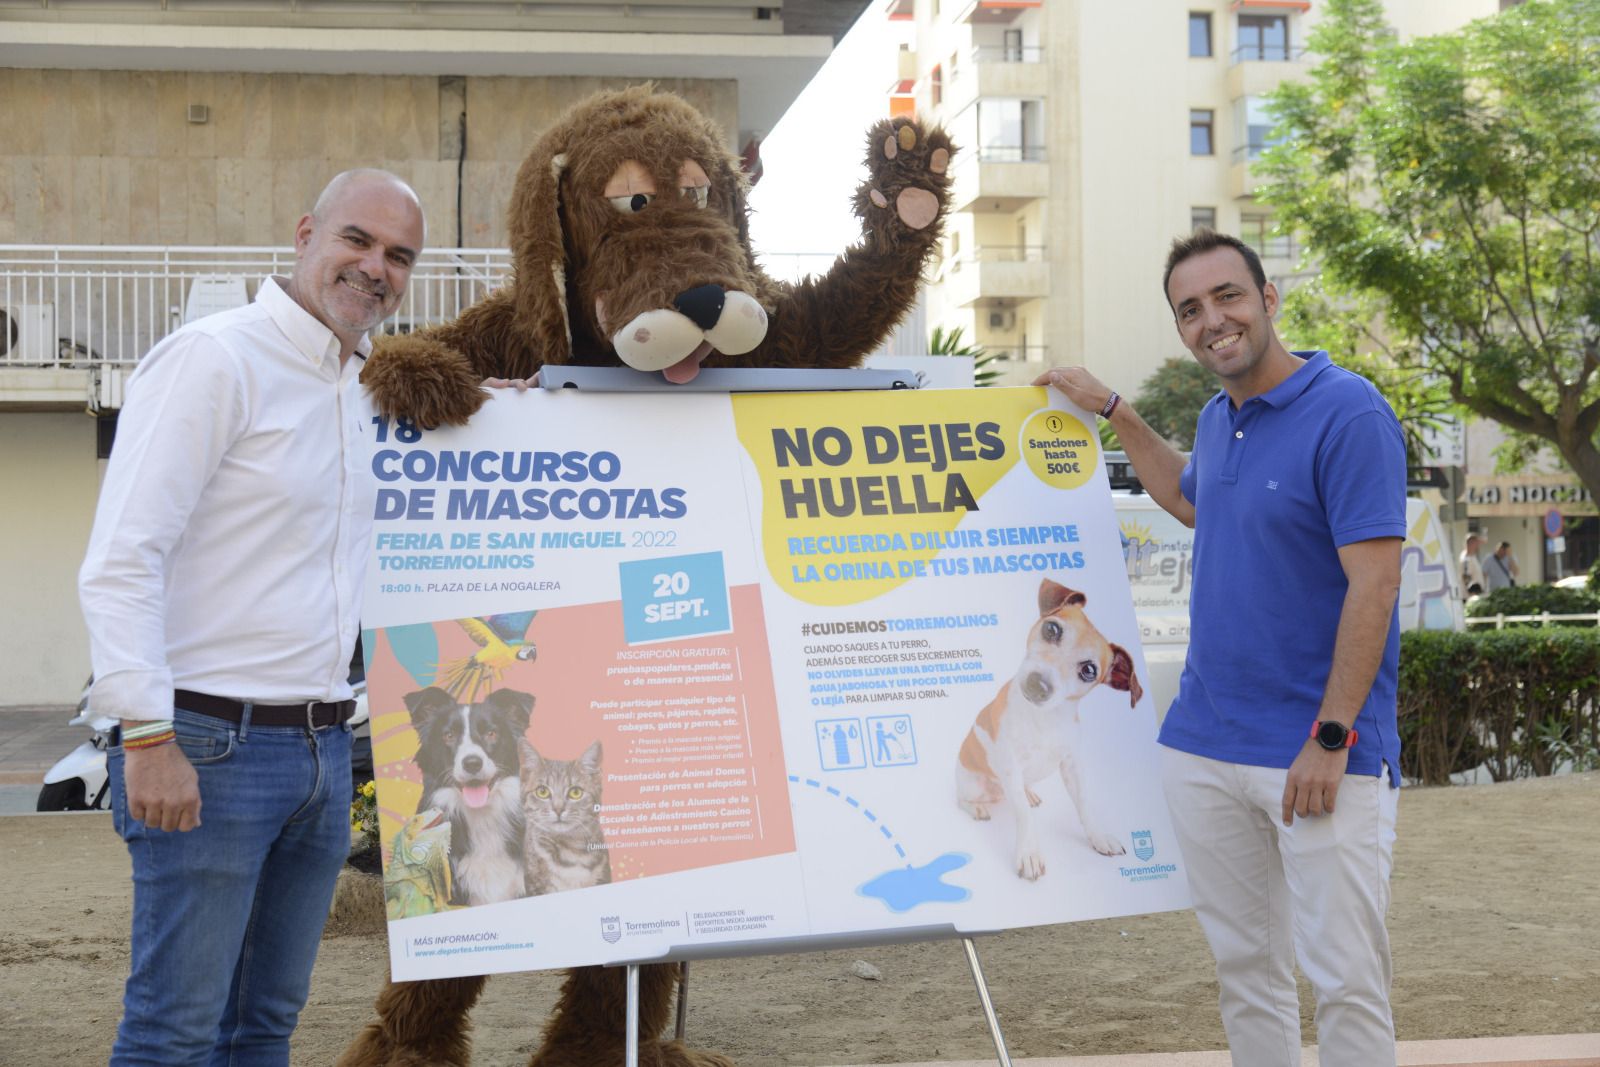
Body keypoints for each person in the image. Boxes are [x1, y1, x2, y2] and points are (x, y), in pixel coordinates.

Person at [79, 169, 426, 1065]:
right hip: (204, 746)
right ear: (306, 233)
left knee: (263, 1026)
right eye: (357, 239)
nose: (374, 267)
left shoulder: (364, 385)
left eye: (398, 256)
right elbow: (124, 557)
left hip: (319, 751)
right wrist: (147, 736)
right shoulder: (216, 358)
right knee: (174, 1031)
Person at [1036, 230, 1405, 1067]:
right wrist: (1116, 411)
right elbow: (1190, 498)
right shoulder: (1220, 414)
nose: (1214, 321)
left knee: (1345, 978)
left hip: (1315, 753)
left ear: (1269, 299)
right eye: (1190, 310)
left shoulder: (1349, 413)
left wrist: (1333, 734)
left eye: (1228, 297)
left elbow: (1375, 587)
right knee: (1247, 973)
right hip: (1204, 743)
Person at [1460, 533, 1486, 598]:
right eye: (1476, 543)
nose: (1478, 546)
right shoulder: (1466, 558)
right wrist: (1473, 593)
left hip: (1474, 595)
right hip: (1470, 596)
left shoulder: (1471, 556)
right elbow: (1466, 577)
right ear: (1471, 544)